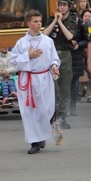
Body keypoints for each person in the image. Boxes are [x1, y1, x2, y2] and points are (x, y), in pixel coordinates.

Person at [9, 10, 60, 154]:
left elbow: (54, 58)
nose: (39, 24)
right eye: (35, 21)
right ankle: (35, 141)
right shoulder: (22, 43)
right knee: (30, 111)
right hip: (29, 79)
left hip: (44, 78)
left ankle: (41, 135)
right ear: (28, 23)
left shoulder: (48, 41)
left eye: (40, 21)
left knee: (46, 109)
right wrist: (28, 56)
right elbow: (13, 61)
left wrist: (54, 65)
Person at [43, 0, 78, 129]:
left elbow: (70, 36)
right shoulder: (51, 18)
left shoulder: (73, 19)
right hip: (51, 55)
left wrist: (60, 22)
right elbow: (45, 34)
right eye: (60, 5)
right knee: (53, 87)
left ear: (69, 6)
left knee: (64, 87)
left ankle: (63, 117)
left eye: (65, 5)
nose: (62, 8)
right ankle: (53, 115)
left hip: (65, 54)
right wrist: (54, 21)